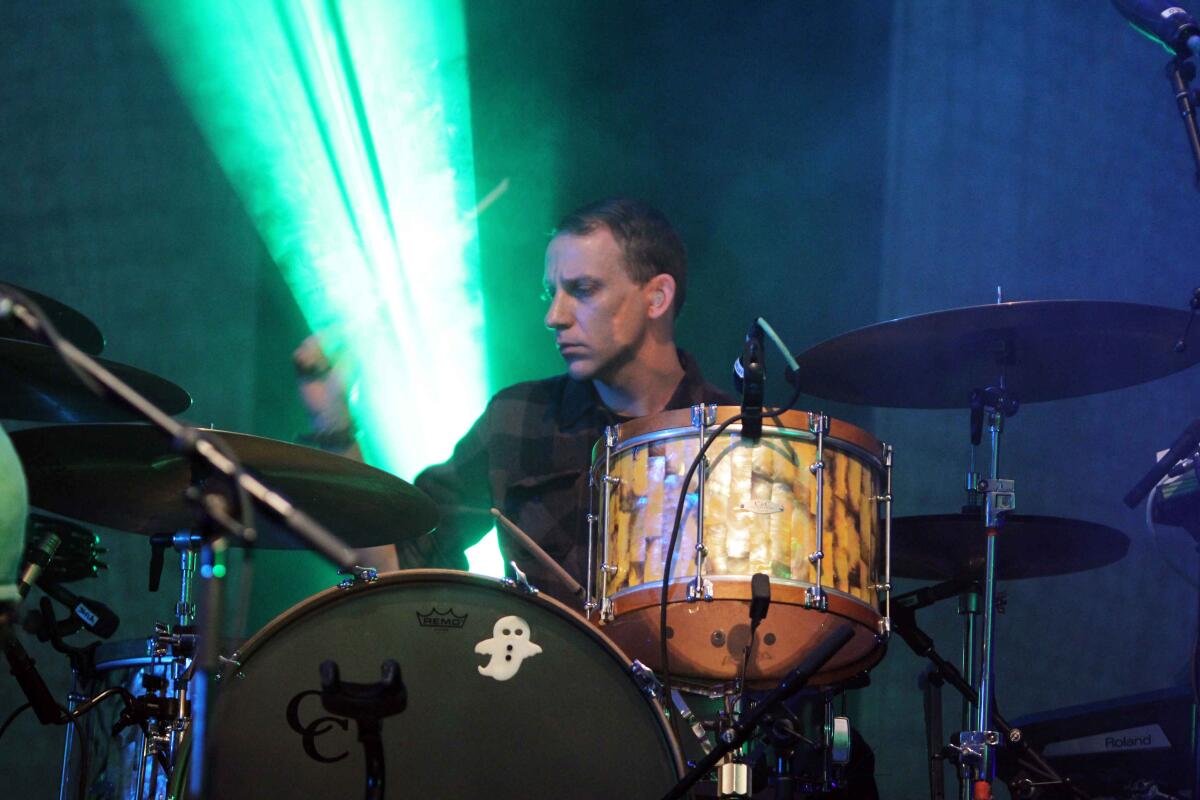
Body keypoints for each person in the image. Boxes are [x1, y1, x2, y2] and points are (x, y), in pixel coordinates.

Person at [296, 197, 733, 605]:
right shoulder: (518, 418)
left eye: (583, 289)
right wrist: (333, 420)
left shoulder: (735, 439)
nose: (554, 316)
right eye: (552, 293)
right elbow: (388, 567)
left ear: (656, 297)